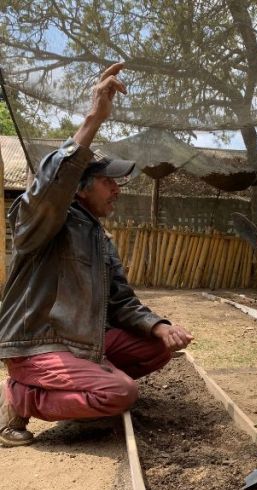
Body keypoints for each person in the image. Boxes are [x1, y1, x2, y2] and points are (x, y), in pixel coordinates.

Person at [0, 63, 194, 447]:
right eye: (108, 181)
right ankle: (20, 396)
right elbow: (49, 188)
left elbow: (122, 301)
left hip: (83, 340)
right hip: (38, 342)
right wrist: (94, 119)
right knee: (120, 394)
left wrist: (160, 327)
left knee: (157, 349)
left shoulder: (98, 236)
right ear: (81, 188)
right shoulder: (44, 220)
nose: (117, 189)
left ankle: (88, 375)